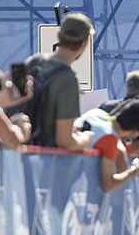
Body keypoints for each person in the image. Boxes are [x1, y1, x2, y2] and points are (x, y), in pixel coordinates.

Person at [23, 13, 96, 150]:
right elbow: (64, 141)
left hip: (17, 151)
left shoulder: (33, 62)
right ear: (85, 42)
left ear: (58, 36)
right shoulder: (69, 80)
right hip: (45, 159)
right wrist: (84, 139)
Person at [75, 100, 139, 192]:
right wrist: (132, 171)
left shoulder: (97, 112)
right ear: (134, 132)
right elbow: (108, 186)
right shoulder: (109, 139)